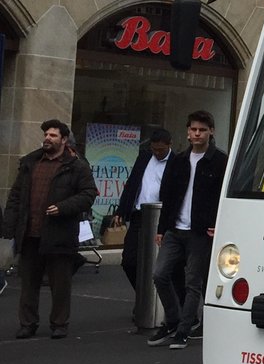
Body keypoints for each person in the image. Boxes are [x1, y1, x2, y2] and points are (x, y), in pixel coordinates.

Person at [0, 120, 98, 338]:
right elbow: (16, 196)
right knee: (28, 283)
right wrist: (9, 226)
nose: (47, 138)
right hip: (30, 233)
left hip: (59, 233)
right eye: (46, 134)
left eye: (53, 135)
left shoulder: (76, 166)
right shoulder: (30, 163)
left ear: (64, 140)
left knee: (60, 283)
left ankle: (59, 323)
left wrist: (63, 208)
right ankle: (27, 323)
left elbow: (89, 194)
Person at [147, 111, 227, 350]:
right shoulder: (179, 160)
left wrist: (218, 222)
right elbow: (168, 195)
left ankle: (184, 329)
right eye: (193, 130)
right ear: (187, 132)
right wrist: (162, 228)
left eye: (202, 130)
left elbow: (223, 196)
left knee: (193, 282)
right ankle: (172, 320)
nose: (197, 134)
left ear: (211, 131)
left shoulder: (219, 160)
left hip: (200, 232)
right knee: (160, 274)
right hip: (175, 228)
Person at [113, 129, 176, 290]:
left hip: (162, 217)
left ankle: (161, 299)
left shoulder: (177, 162)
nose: (157, 153)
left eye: (161, 150)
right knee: (129, 260)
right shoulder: (144, 157)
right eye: (154, 149)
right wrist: (121, 210)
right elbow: (132, 183)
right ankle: (143, 295)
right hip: (139, 215)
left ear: (170, 145)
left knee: (159, 264)